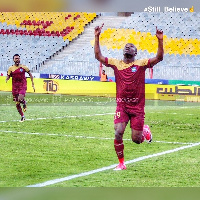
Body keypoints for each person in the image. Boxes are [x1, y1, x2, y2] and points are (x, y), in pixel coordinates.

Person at [94, 24, 163, 170]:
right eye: (126, 46)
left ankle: (144, 130)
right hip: (122, 105)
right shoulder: (115, 63)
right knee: (118, 132)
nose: (128, 47)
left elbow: (159, 57)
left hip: (137, 107)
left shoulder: (141, 64)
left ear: (135, 52)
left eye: (131, 46)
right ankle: (121, 164)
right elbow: (98, 56)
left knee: (136, 140)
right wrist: (96, 36)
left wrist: (160, 40)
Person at [6, 54, 35, 122]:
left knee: (20, 98)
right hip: (15, 87)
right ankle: (22, 116)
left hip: (22, 85)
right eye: (16, 58)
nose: (17, 60)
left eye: (18, 58)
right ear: (13, 60)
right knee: (17, 102)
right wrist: (7, 78)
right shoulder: (11, 68)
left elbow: (30, 74)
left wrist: (32, 83)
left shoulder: (24, 67)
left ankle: (24, 102)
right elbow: (8, 75)